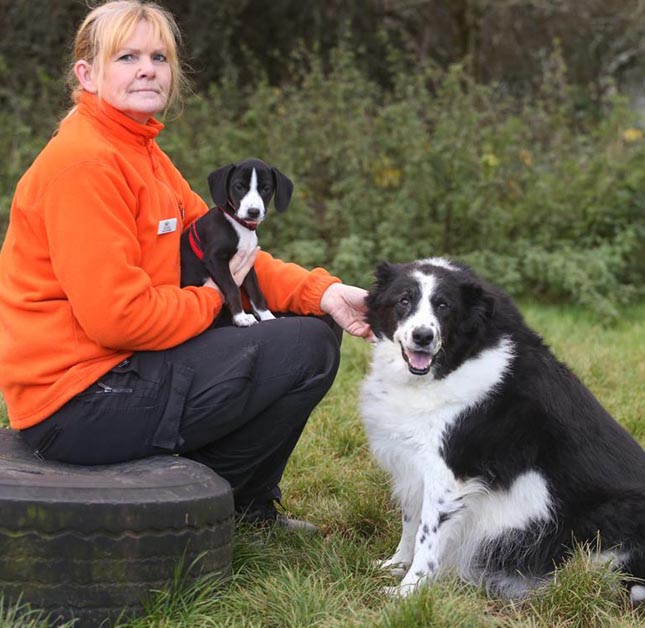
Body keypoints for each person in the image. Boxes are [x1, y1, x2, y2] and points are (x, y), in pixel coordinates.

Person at [0, 0, 373, 530]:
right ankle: (215, 503)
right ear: (87, 74)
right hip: (77, 400)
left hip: (127, 366)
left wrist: (325, 293)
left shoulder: (145, 155)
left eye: (159, 56)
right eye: (126, 57)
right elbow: (118, 318)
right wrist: (217, 299)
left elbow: (228, 252)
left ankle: (241, 499)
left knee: (315, 325)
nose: (148, 68)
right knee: (304, 347)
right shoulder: (83, 164)